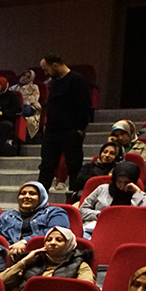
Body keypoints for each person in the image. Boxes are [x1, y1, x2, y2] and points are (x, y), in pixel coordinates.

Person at [36, 55, 92, 191]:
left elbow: (85, 105)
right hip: (52, 130)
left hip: (70, 130)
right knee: (46, 166)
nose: (46, 73)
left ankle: (74, 196)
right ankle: (40, 197)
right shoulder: (54, 82)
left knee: (74, 166)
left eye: (46, 69)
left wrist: (79, 129)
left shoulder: (76, 79)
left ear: (55, 65)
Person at [0, 183, 74, 253]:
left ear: (41, 197)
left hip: (43, 254)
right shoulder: (6, 216)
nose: (26, 196)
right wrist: (8, 249)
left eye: (32, 193)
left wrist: (25, 242)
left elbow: (57, 233)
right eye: (23, 193)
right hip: (8, 253)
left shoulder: (55, 212)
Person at [78, 161, 146, 237]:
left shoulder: (140, 196)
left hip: (125, 231)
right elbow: (82, 210)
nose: (122, 185)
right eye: (119, 181)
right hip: (97, 228)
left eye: (126, 182)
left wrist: (137, 194)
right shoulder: (102, 189)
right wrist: (99, 215)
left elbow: (140, 219)